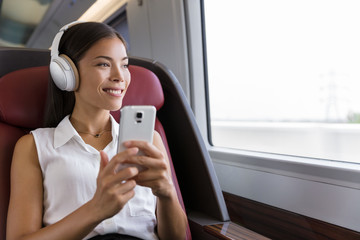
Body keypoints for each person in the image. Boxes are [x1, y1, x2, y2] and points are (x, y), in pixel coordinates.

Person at [6, 21, 188, 240]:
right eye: (103, 64)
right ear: (67, 74)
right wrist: (96, 210)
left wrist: (167, 193)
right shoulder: (34, 146)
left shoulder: (149, 139)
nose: (120, 76)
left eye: (124, 65)